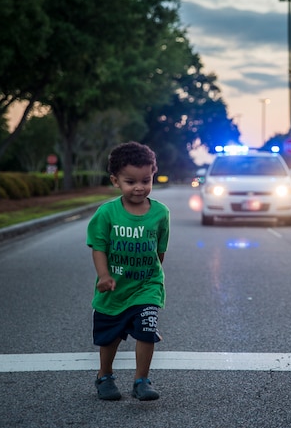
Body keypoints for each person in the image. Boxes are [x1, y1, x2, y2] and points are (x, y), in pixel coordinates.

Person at [87, 142, 170, 401]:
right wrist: (104, 276)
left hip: (147, 286)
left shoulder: (160, 213)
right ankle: (105, 375)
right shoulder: (107, 213)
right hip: (114, 288)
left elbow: (160, 251)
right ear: (115, 181)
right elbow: (98, 247)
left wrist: (152, 279)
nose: (139, 187)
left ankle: (141, 380)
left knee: (147, 330)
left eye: (146, 180)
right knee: (109, 337)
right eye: (130, 181)